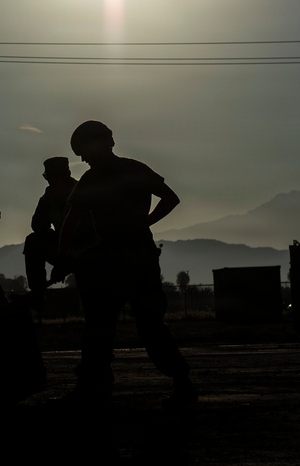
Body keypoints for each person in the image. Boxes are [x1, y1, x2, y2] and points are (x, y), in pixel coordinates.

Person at [56, 120, 196, 407]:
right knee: (151, 324)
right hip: (141, 254)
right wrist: (144, 223)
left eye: (83, 151)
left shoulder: (93, 180)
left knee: (99, 325)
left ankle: (90, 386)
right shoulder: (136, 169)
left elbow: (72, 220)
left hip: (110, 260)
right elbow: (170, 199)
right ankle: (182, 382)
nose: (83, 158)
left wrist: (63, 257)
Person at [20, 157, 77, 309]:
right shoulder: (50, 197)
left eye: (53, 177)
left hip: (88, 249)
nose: (51, 182)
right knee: (33, 241)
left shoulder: (82, 192)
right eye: (48, 178)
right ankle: (38, 294)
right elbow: (38, 226)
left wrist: (63, 263)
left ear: (68, 175)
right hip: (64, 248)